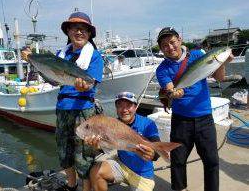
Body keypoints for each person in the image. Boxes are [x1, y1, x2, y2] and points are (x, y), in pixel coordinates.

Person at [22, 11, 104, 191]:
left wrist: (85, 86)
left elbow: (92, 83)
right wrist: (30, 59)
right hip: (62, 109)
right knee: (63, 152)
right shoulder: (61, 55)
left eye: (84, 29)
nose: (80, 32)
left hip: (83, 111)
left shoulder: (95, 56)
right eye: (75, 28)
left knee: (84, 155)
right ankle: (72, 185)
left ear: (89, 34)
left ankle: (86, 188)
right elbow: (53, 79)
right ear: (68, 32)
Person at [155, 27, 233, 191]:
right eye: (164, 45)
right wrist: (173, 93)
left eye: (172, 42)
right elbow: (170, 88)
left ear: (180, 40)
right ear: (161, 49)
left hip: (204, 118)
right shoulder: (162, 69)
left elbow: (219, 77)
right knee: (178, 160)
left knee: (211, 161)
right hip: (180, 121)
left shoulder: (198, 55)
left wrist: (223, 62)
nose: (170, 47)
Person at [85, 91, 161, 191]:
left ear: (135, 107)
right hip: (122, 165)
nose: (124, 110)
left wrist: (153, 154)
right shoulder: (112, 124)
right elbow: (106, 147)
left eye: (129, 105)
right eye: (120, 106)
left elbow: (157, 152)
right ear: (116, 109)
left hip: (143, 174)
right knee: (95, 171)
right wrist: (97, 146)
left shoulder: (147, 123)